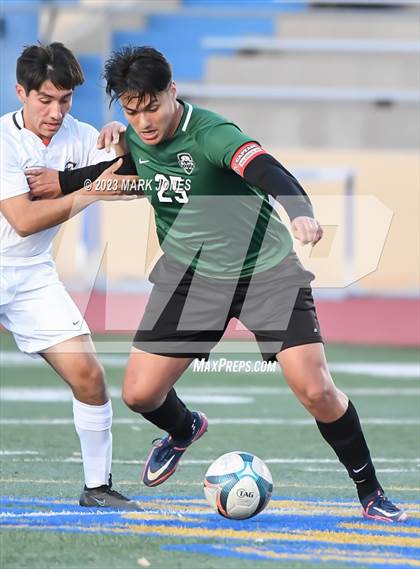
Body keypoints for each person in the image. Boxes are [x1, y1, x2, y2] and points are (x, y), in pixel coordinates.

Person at [28, 46, 407, 523]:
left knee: (315, 389)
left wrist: (301, 212)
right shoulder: (136, 138)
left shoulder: (212, 134)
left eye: (151, 107)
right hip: (191, 278)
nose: (143, 122)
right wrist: (63, 181)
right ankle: (185, 429)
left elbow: (269, 170)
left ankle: (371, 492)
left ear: (173, 92)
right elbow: (129, 171)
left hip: (265, 274)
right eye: (130, 110)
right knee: (140, 395)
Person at [0, 43, 140, 509]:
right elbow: (23, 219)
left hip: (30, 273)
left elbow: (132, 182)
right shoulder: (3, 140)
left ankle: (97, 487)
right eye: (45, 100)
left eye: (65, 100)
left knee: (89, 374)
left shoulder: (81, 135)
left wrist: (122, 144)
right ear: (21, 92)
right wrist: (91, 189)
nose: (56, 112)